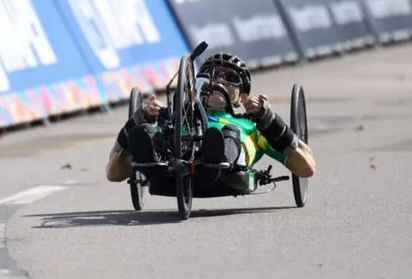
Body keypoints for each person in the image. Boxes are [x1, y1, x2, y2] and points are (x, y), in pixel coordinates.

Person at [106, 53, 315, 192]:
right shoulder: (175, 120)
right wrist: (138, 120)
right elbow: (113, 173)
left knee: (228, 132)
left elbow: (307, 168)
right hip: (170, 166)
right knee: (147, 132)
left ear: (242, 97)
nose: (219, 81)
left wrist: (270, 121)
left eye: (229, 77)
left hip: (226, 167)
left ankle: (214, 161)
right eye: (212, 75)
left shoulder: (252, 126)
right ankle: (153, 167)